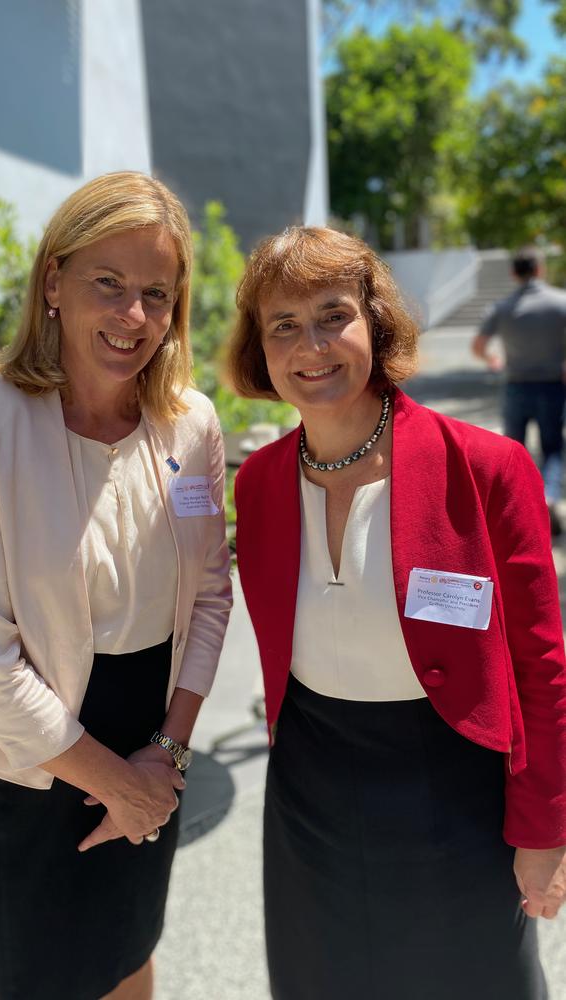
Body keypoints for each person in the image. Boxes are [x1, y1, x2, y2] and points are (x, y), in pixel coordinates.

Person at [0, 171, 232, 1000]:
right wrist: (118, 784)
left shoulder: (191, 422)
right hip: (20, 765)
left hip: (151, 743)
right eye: (109, 284)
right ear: (53, 282)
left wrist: (165, 754)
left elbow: (208, 595)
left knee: (129, 957)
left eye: (156, 294)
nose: (134, 317)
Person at [228, 226, 566, 1000]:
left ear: (375, 325)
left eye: (331, 314)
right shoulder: (260, 484)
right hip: (312, 788)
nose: (310, 345)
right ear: (261, 348)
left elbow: (541, 667)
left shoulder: (487, 468)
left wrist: (545, 828)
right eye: (284, 325)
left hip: (456, 788)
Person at [471, 249, 566, 536]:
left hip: (516, 385)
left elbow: (478, 345)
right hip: (552, 385)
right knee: (552, 448)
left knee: (514, 451)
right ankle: (549, 496)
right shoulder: (560, 302)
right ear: (540, 270)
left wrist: (493, 360)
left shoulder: (503, 307)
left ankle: (519, 511)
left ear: (514, 273)